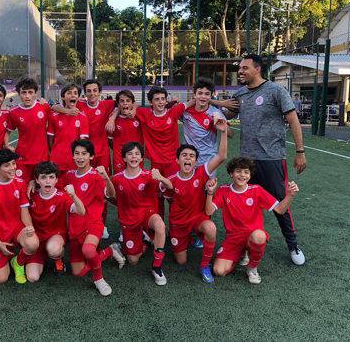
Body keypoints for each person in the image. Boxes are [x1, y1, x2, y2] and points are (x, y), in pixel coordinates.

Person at [223, 54, 307, 265]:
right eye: (240, 68)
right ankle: (243, 247)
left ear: (257, 69)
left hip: (271, 158)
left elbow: (293, 120)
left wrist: (300, 151)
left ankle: (292, 244)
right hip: (246, 160)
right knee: (241, 205)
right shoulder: (241, 93)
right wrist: (207, 102)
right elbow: (228, 114)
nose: (240, 71)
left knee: (280, 202)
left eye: (245, 68)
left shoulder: (276, 90)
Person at [205, 157, 299, 284]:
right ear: (231, 173)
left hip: (252, 236)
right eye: (238, 171)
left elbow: (280, 210)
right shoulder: (223, 190)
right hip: (233, 237)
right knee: (218, 271)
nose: (242, 175)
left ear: (250, 175)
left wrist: (290, 195)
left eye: (246, 172)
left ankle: (252, 268)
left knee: (259, 235)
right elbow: (209, 211)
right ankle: (241, 253)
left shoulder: (256, 190)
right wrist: (210, 193)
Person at [107, 86, 195, 219]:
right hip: (155, 162)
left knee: (175, 195)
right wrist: (112, 118)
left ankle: (178, 224)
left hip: (172, 162)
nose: (160, 102)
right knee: (156, 196)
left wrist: (215, 102)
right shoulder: (145, 114)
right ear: (150, 102)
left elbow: (193, 101)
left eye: (163, 99)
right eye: (157, 99)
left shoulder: (174, 111)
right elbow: (128, 104)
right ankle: (156, 227)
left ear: (166, 100)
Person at [57, 140, 124, 296]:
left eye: (84, 154)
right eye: (77, 153)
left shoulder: (96, 176)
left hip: (93, 224)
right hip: (75, 227)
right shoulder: (69, 176)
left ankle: (99, 279)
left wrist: (107, 178)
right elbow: (55, 188)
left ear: (91, 156)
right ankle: (109, 251)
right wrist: (34, 181)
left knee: (88, 249)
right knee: (77, 272)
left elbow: (111, 195)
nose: (80, 157)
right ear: (73, 156)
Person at [164, 126, 227, 283]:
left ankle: (205, 265)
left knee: (211, 228)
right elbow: (169, 199)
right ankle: (188, 237)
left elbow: (222, 156)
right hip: (178, 222)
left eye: (191, 156)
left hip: (197, 217)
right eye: (184, 155)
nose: (188, 158)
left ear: (196, 161)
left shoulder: (201, 172)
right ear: (178, 160)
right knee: (181, 261)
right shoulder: (171, 180)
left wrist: (224, 132)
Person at [53, 79, 115, 239]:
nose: (92, 93)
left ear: (100, 93)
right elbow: (55, 106)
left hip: (100, 154)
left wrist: (112, 118)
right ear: (85, 95)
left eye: (95, 90)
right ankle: (74, 222)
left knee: (101, 190)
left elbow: (123, 103)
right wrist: (65, 111)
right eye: (89, 91)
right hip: (82, 155)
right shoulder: (79, 105)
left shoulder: (106, 105)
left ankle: (101, 224)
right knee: (80, 188)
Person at [107, 142, 173, 286]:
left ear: (142, 158)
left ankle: (157, 267)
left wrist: (161, 178)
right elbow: (109, 196)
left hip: (147, 214)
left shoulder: (149, 175)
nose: (134, 157)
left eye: (137, 154)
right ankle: (146, 242)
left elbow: (169, 186)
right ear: (124, 158)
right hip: (129, 219)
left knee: (160, 225)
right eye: (130, 154)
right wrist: (121, 205)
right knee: (132, 260)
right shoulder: (117, 178)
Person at [0, 149, 39, 284]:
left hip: (15, 227)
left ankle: (18, 262)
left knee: (33, 242)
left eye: (13, 163)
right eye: (7, 165)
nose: (12, 168)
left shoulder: (19, 183)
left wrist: (29, 227)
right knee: (1, 279)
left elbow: (24, 211)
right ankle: (4, 255)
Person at [26, 161, 86, 283]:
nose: (47, 181)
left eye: (51, 177)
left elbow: (81, 211)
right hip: (36, 238)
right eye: (43, 177)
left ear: (56, 180)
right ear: (37, 180)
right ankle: (40, 256)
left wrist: (74, 195)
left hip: (55, 236)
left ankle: (58, 259)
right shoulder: (31, 194)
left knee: (53, 249)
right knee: (32, 278)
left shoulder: (62, 196)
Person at [4, 76, 52, 184]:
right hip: (22, 158)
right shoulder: (14, 112)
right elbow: (8, 131)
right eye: (23, 92)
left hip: (42, 157)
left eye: (30, 92)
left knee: (41, 188)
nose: (27, 96)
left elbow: (54, 121)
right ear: (18, 93)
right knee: (22, 187)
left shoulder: (44, 107)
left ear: (35, 93)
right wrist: (6, 145)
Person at [181, 77, 234, 170]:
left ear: (210, 96)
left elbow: (230, 134)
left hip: (209, 160)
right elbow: (169, 114)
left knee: (209, 185)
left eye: (207, 94)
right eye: (200, 93)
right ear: (194, 95)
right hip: (189, 158)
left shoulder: (215, 112)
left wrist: (223, 126)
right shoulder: (185, 112)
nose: (203, 96)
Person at [47, 84, 89, 176]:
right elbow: (50, 140)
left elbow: (82, 142)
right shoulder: (54, 116)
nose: (73, 95)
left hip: (74, 162)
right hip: (57, 160)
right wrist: (54, 153)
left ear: (78, 97)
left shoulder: (83, 118)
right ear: (63, 97)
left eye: (75, 93)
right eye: (69, 93)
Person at [108, 90, 144, 175]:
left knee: (136, 180)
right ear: (118, 103)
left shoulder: (139, 116)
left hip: (136, 155)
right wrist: (119, 151)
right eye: (122, 101)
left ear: (132, 103)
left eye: (128, 101)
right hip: (119, 157)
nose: (125, 103)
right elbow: (110, 140)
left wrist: (134, 109)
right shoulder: (112, 120)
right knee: (119, 181)